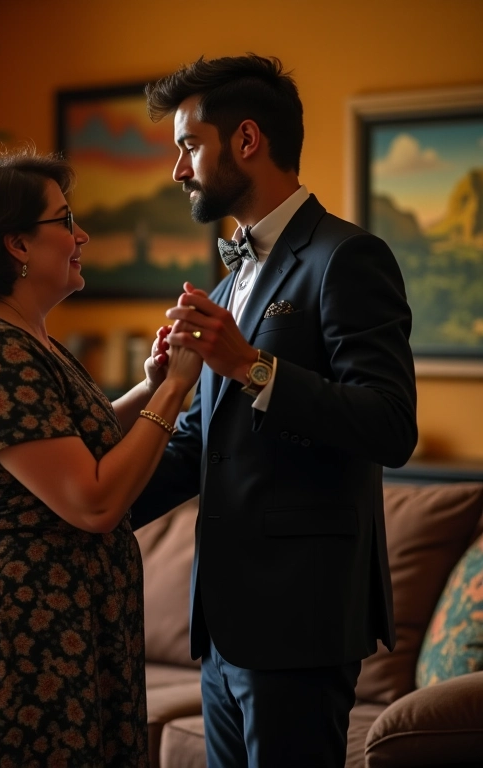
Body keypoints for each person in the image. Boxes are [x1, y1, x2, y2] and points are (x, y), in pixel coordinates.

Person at [131, 54, 418, 768]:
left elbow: (390, 424)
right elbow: (201, 444)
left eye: (188, 145)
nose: (178, 169)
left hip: (302, 623)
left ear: (247, 140)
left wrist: (250, 365)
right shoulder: (231, 286)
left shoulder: (349, 258)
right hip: (223, 627)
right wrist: (85, 508)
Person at [0, 148, 202, 767]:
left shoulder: (28, 340)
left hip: (58, 624)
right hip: (14, 635)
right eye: (64, 221)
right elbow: (91, 500)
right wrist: (174, 394)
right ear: (17, 245)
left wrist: (150, 385)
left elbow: (73, 447)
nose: (80, 234)